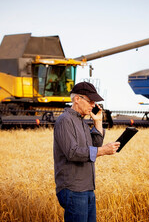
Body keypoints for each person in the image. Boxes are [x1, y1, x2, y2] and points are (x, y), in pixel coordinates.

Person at [53, 81, 120, 222]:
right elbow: (73, 152)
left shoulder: (81, 122)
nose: (93, 105)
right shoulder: (65, 120)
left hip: (87, 188)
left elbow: (95, 144)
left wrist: (98, 122)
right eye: (90, 101)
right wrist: (103, 150)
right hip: (73, 189)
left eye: (94, 102)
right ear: (77, 99)